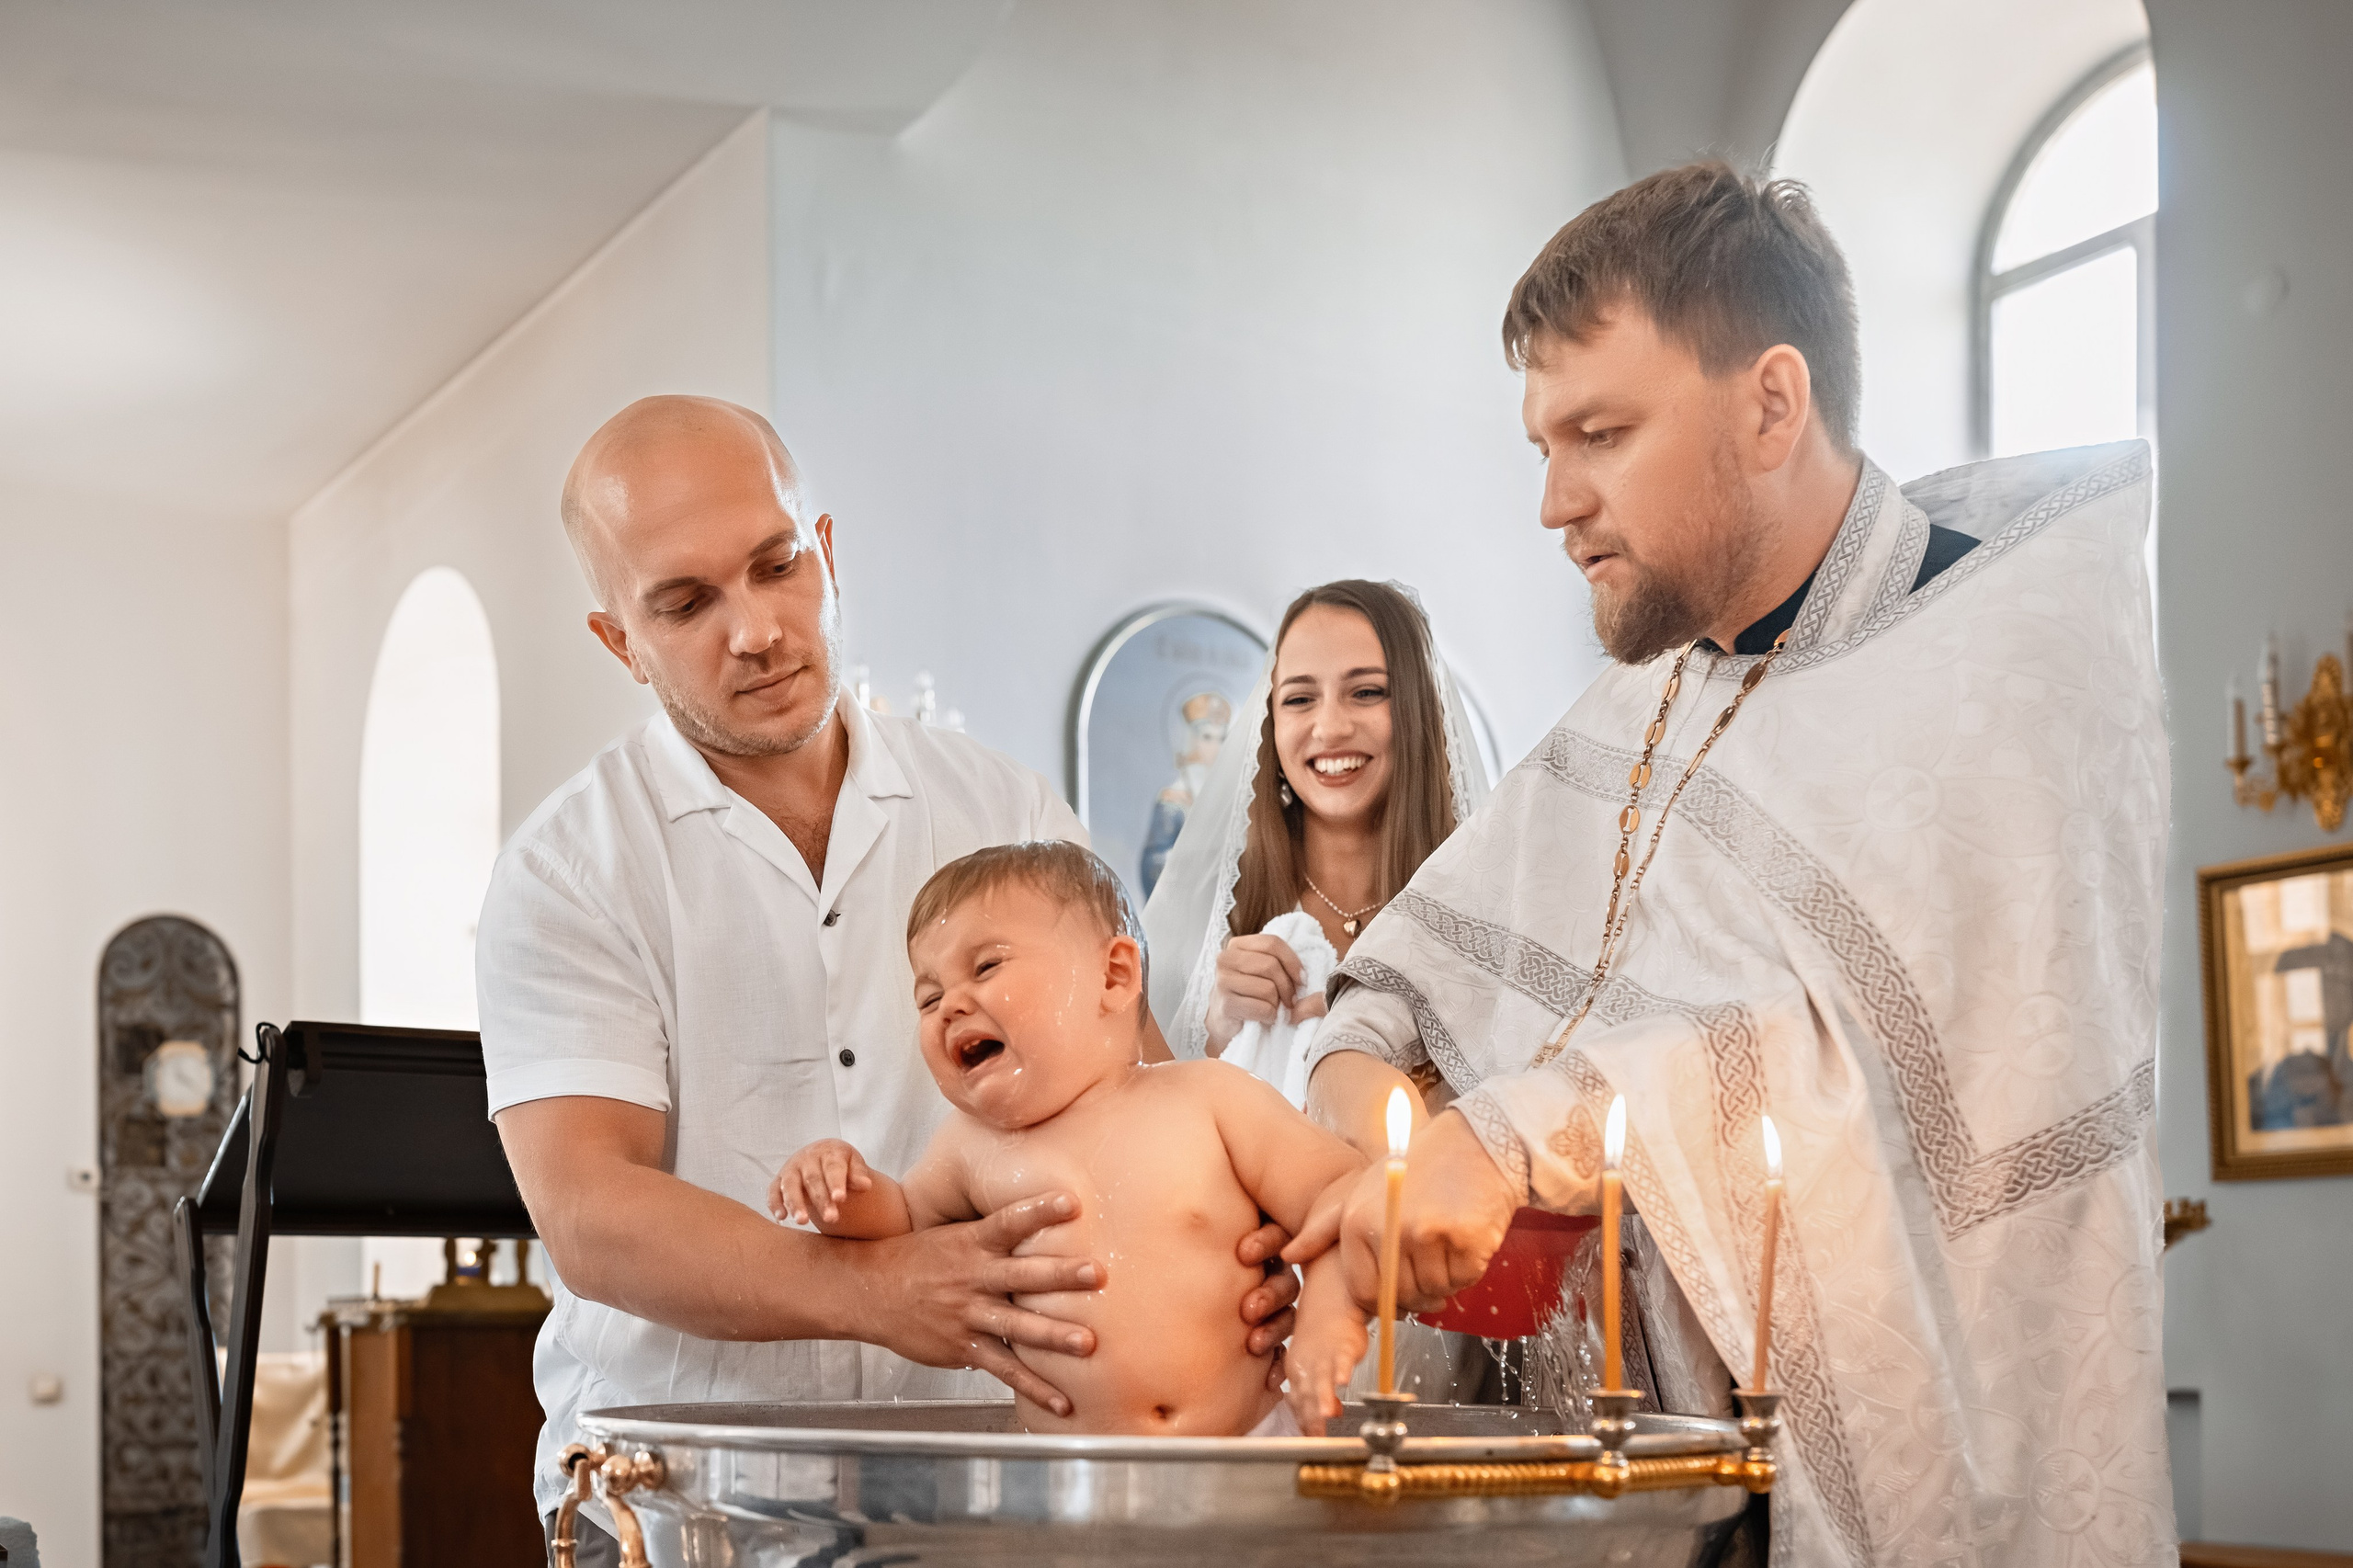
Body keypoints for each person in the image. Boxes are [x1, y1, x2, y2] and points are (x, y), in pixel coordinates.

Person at [1289, 164, 2171, 1564]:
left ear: (1771, 402)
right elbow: (1396, 978)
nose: (1555, 502)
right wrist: (1371, 1107)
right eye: (1542, 445)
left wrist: (1507, 1137)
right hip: (1613, 1490)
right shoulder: (1638, 704)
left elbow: (1863, 1074)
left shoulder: (2007, 669)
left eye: (1602, 432)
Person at [478, 397, 1297, 1555]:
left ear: (826, 552)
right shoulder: (567, 868)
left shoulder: (1004, 810)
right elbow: (592, 1215)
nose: (757, 630)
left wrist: (1239, 1262)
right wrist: (878, 1285)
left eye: (777, 566)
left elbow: (1144, 1098)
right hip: (679, 1488)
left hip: (989, 1472)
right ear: (621, 639)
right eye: (687, 601)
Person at [772, 840, 1364, 1436]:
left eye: (985, 968)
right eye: (928, 997)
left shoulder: (1212, 1099)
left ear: (1113, 976)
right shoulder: (970, 1147)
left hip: (1245, 1452)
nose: (950, 1006)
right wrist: (839, 1186)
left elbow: (1347, 1195)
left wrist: (1325, 1307)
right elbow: (898, 1222)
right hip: (1064, 1478)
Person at [1142, 580, 1491, 1088]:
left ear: (1418, 711)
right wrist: (1220, 1035)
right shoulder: (1215, 919)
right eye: (1300, 698)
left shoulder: (1481, 911)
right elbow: (1153, 1132)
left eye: (1367, 692)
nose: (1329, 728)